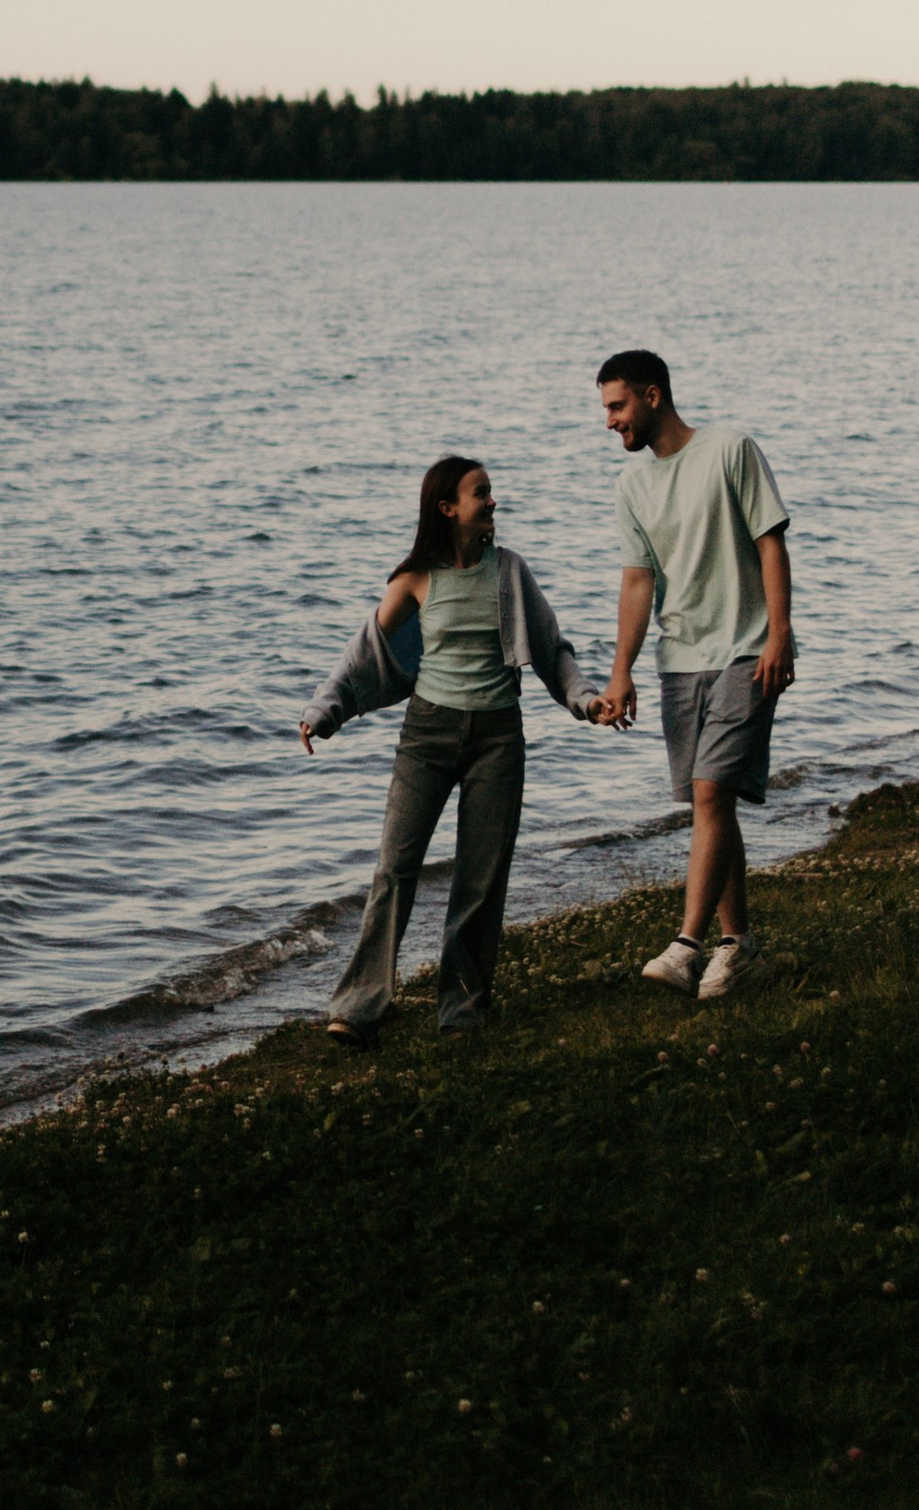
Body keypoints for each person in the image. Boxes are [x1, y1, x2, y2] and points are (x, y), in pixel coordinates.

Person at [300, 453, 593, 1043]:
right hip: (427, 736)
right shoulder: (414, 578)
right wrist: (324, 710)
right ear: (447, 507)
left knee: (481, 879)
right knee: (395, 869)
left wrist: (585, 700)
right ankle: (360, 1008)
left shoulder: (510, 571)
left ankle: (461, 1012)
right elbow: (364, 655)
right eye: (481, 492)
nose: (492, 501)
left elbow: (551, 646)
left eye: (490, 492)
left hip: (498, 739)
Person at [591, 350, 794, 1000]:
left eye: (617, 407)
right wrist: (620, 673)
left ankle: (687, 944)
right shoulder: (633, 488)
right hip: (680, 664)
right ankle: (739, 947)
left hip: (746, 649)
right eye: (605, 410)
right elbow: (636, 582)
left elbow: (770, 541)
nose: (610, 422)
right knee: (714, 805)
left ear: (653, 395)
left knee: (709, 796)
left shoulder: (730, 449)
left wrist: (780, 634)